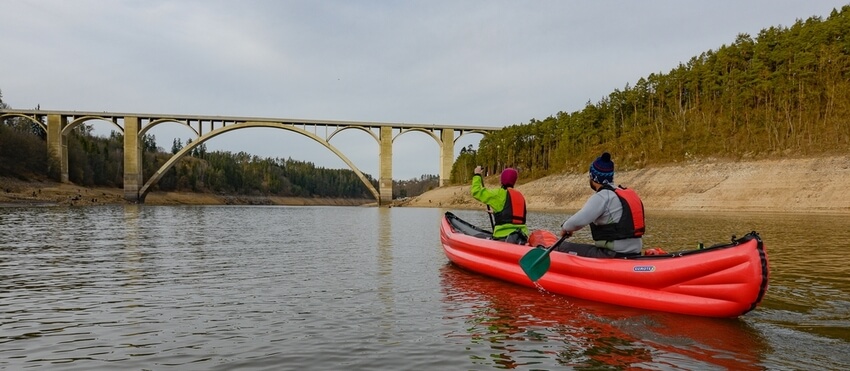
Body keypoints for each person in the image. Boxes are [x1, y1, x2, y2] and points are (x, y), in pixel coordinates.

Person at [555, 152, 645, 258]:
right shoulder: (624, 193)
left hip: (613, 254)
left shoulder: (603, 196)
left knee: (560, 247)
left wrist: (566, 228)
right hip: (635, 253)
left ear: (593, 177)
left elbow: (576, 222)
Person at [471, 165, 529, 245]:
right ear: (514, 181)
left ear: (502, 180)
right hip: (522, 237)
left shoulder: (499, 194)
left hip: (503, 238)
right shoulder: (520, 196)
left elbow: (476, 192)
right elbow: (511, 214)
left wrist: (477, 175)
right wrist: (497, 213)